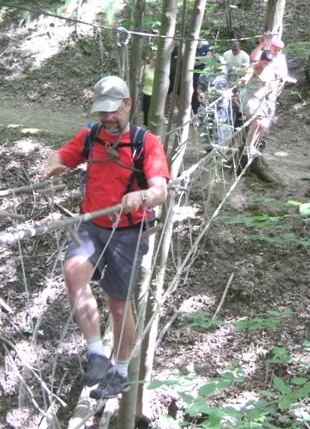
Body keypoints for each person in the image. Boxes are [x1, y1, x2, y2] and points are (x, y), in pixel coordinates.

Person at [44, 76, 169, 399]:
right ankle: (97, 352)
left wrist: (141, 197)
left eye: (113, 111)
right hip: (91, 226)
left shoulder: (146, 142)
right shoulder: (91, 136)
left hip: (128, 232)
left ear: (127, 105)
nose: (108, 118)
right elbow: (60, 156)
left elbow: (160, 191)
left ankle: (122, 371)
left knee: (118, 305)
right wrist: (53, 167)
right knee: (72, 273)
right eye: (102, 112)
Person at [195, 56, 240, 151]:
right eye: (218, 68)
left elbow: (241, 74)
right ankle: (208, 150)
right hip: (208, 105)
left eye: (221, 68)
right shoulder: (206, 72)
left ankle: (217, 150)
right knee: (207, 128)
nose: (220, 70)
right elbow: (199, 88)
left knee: (219, 127)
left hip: (221, 105)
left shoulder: (228, 71)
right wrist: (202, 95)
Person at [141, 52, 156, 126]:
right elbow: (140, 80)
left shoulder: (159, 71)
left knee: (153, 112)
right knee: (145, 110)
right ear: (150, 60)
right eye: (154, 59)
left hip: (154, 94)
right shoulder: (144, 68)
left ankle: (152, 126)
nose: (155, 62)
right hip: (145, 92)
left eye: (157, 60)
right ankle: (146, 126)